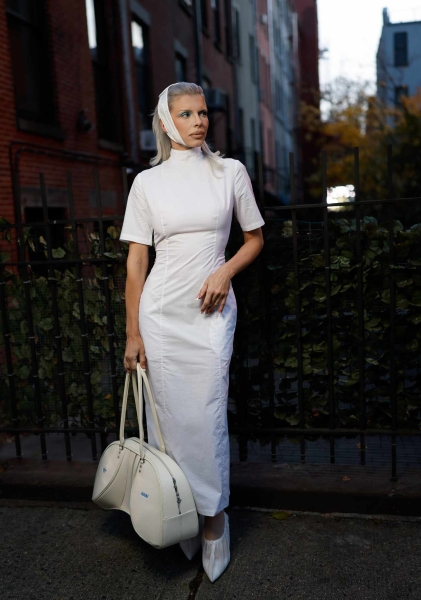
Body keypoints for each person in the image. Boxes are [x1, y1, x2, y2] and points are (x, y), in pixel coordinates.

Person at [120, 82, 265, 582]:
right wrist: (132, 334)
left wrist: (223, 272)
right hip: (160, 315)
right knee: (166, 421)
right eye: (186, 114)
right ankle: (180, 515)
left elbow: (254, 239)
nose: (199, 120)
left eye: (203, 112)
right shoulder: (147, 183)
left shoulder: (230, 173)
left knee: (205, 416)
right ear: (166, 122)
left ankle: (213, 519)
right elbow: (137, 264)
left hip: (210, 314)